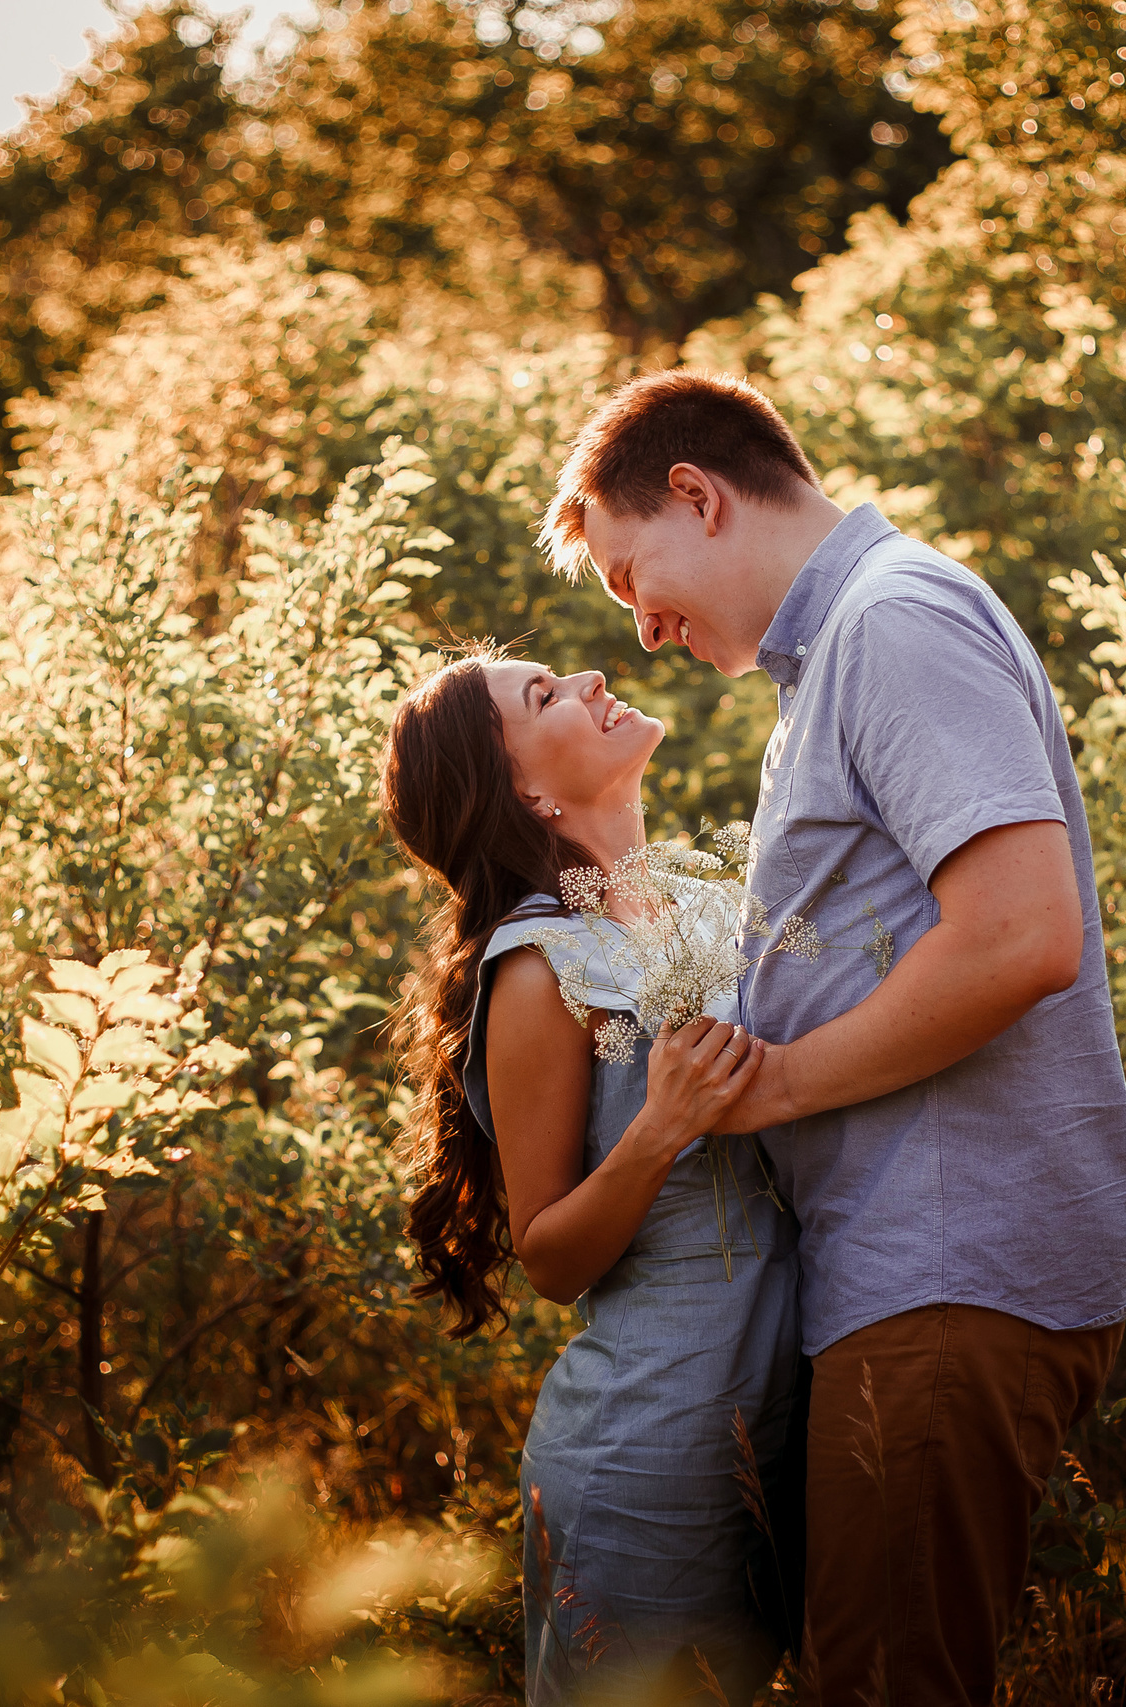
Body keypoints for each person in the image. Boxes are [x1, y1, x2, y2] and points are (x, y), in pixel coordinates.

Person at [539, 371, 1126, 1706]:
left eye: (637, 573)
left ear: (698, 496)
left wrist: (778, 1086)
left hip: (948, 1249)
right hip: (910, 1259)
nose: (644, 631)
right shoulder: (834, 665)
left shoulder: (894, 626)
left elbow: (1019, 936)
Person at [381, 649, 801, 1704]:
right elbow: (551, 1255)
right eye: (544, 695)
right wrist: (659, 1128)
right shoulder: (539, 967)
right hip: (652, 1459)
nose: (589, 678)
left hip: (794, 1419)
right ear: (527, 789)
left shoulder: (706, 911)